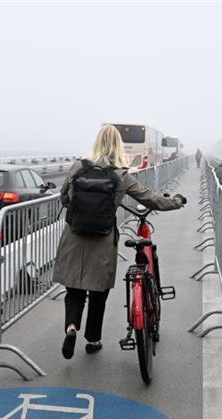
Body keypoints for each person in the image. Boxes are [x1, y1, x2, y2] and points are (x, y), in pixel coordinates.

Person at [53, 124, 187, 359]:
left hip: (74, 237)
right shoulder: (120, 175)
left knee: (74, 290)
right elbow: (151, 199)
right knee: (98, 293)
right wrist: (176, 201)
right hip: (103, 241)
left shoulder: (77, 167)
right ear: (118, 146)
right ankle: (93, 340)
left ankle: (71, 328)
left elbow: (64, 199)